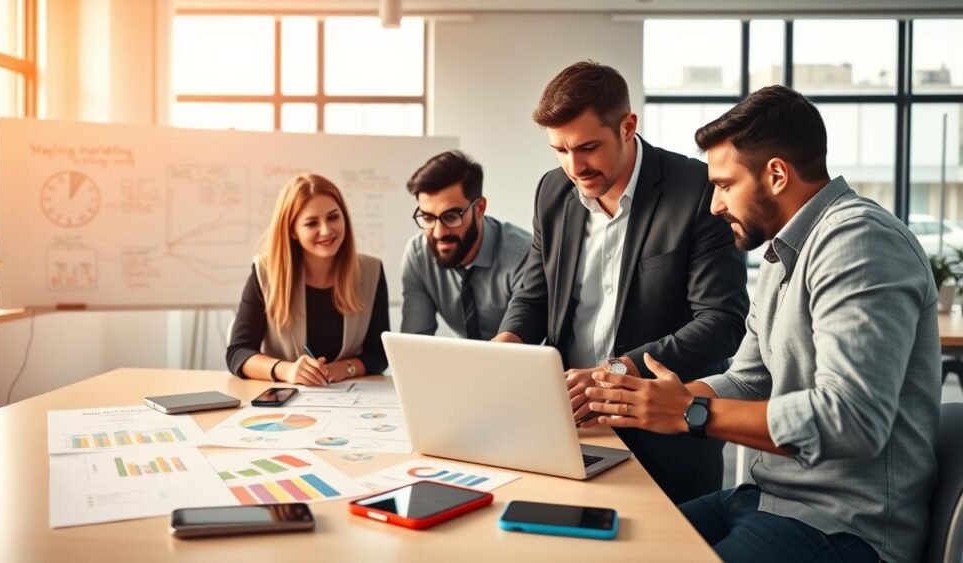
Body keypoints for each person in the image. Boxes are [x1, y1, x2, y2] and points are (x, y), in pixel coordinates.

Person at [584, 85, 940, 562]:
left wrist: (692, 414)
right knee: (611, 549)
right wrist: (647, 401)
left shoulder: (859, 241)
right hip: (763, 498)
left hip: (842, 525)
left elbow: (853, 420)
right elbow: (748, 379)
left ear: (776, 174)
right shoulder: (779, 250)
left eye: (725, 185)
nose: (714, 204)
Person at [494, 61, 749, 504]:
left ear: (628, 126)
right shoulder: (553, 192)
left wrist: (614, 373)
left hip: (665, 440)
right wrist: (506, 343)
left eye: (588, 147)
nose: (574, 166)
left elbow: (722, 322)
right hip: (570, 426)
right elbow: (534, 295)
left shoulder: (695, 190)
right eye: (559, 149)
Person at [226, 173, 389, 385]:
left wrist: (344, 369)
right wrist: (287, 370)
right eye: (311, 223)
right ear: (292, 230)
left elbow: (379, 354)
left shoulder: (371, 270)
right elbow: (238, 353)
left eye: (333, 217)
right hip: (285, 397)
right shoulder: (265, 272)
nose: (326, 230)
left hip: (351, 397)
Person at [400, 150, 530, 340]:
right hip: (460, 366)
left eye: (451, 217)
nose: (438, 233)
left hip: (519, 365)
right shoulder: (418, 254)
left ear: (479, 208)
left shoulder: (523, 254)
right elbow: (414, 340)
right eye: (428, 217)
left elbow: (516, 342)